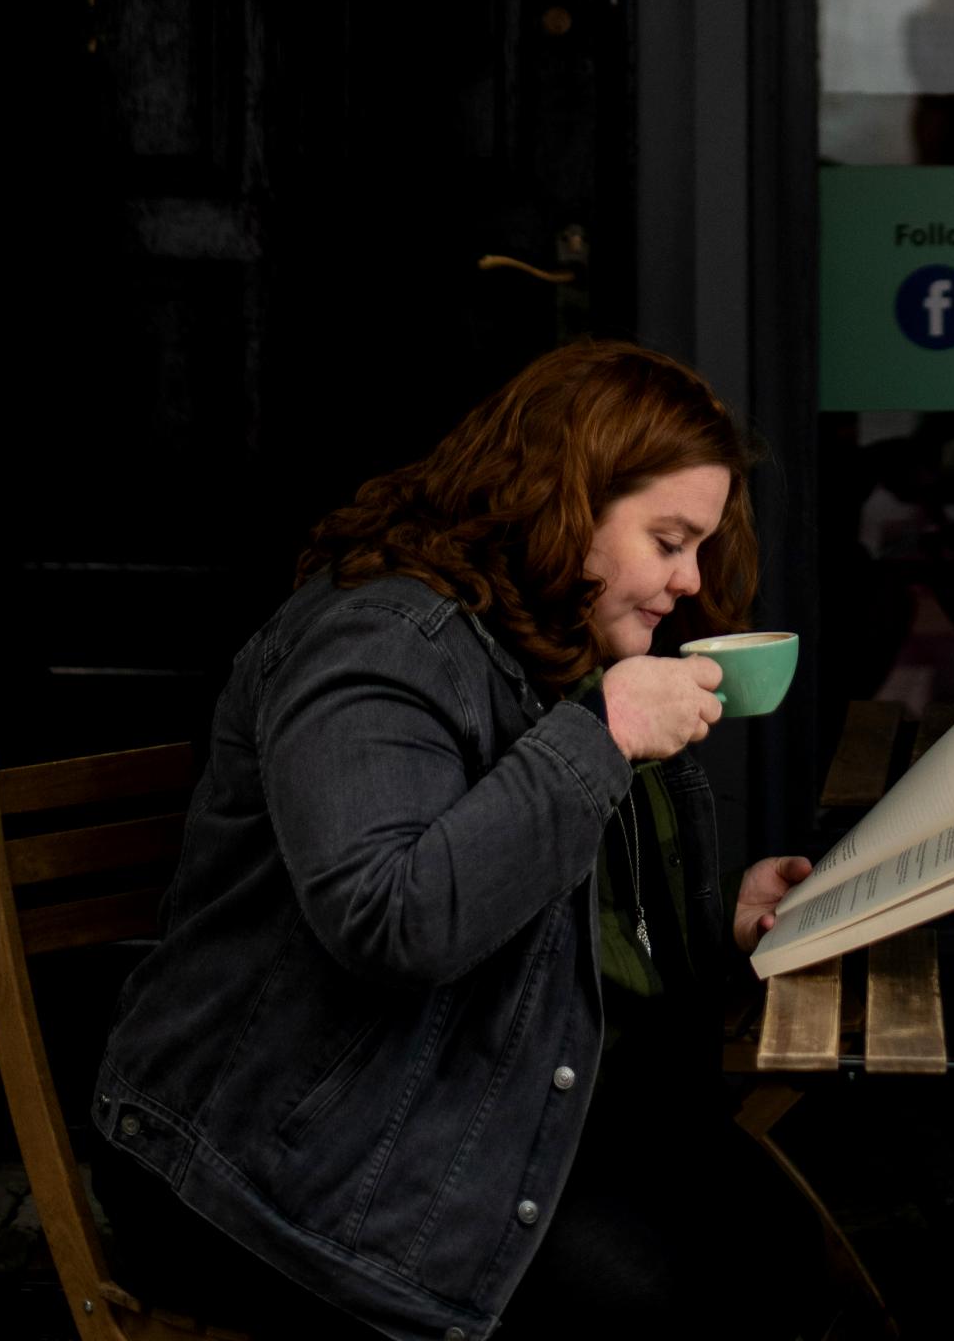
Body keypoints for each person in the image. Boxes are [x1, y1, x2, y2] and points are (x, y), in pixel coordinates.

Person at [89, 342, 818, 1341]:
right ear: (565, 502)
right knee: (673, 1299)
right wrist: (602, 737)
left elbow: (548, 900)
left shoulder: (551, 639)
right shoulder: (380, 643)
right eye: (667, 540)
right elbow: (393, 919)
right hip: (272, 1160)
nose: (691, 581)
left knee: (772, 1255)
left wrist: (714, 914)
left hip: (458, 1103)